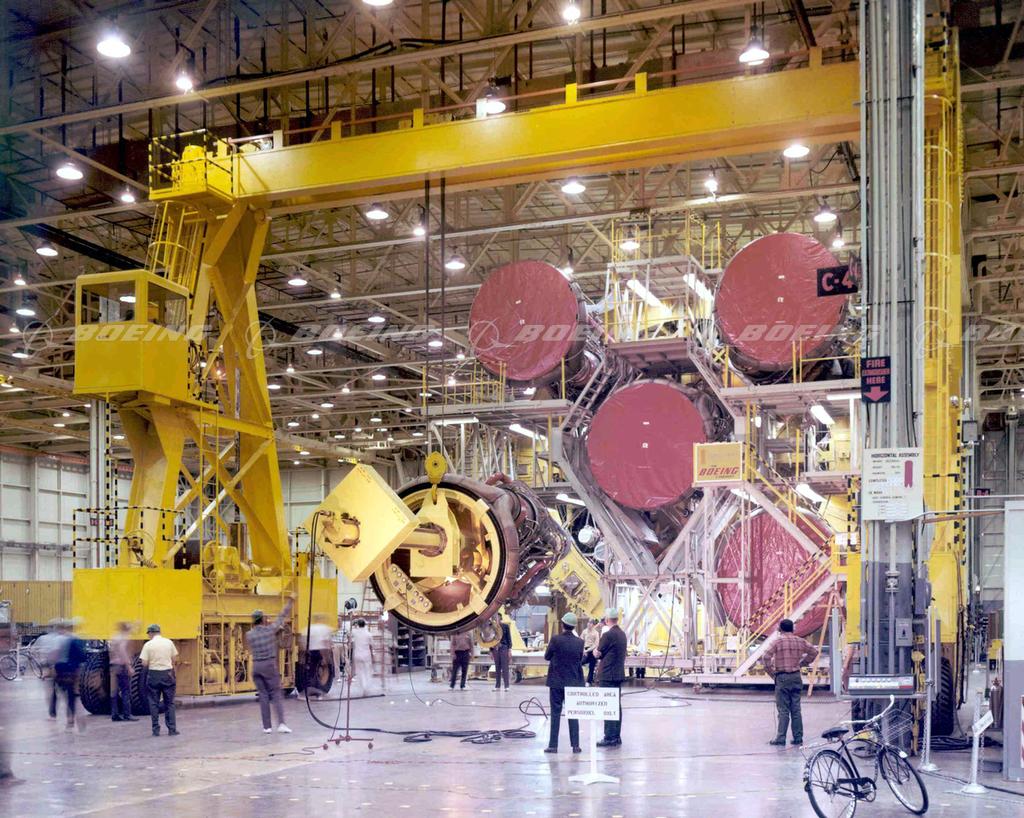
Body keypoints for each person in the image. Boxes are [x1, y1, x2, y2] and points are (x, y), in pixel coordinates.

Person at [762, 618, 819, 746]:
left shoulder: (777, 641)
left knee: (783, 710)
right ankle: (798, 737)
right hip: (796, 677)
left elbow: (765, 657)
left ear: (780, 628)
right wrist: (802, 663)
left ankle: (780, 738)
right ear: (792, 628)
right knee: (796, 709)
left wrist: (771, 673)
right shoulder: (800, 641)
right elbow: (814, 652)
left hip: (782, 677)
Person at [246, 594, 295, 733]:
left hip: (256, 667)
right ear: (263, 619)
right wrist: (291, 601)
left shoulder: (249, 635)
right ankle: (281, 724)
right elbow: (281, 616)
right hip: (268, 665)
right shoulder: (269, 630)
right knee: (276, 693)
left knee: (263, 695)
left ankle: (266, 727)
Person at [544, 612, 584, 754]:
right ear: (574, 627)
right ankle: (575, 745)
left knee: (555, 713)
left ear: (563, 625)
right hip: (573, 682)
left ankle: (553, 746)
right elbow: (580, 659)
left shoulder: (555, 640)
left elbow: (547, 656)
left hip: (556, 682)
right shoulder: (580, 642)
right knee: (573, 713)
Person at [594, 606, 626, 748]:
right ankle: (616, 736)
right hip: (618, 674)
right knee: (616, 706)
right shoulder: (622, 634)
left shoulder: (607, 635)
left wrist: (595, 651)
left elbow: (598, 653)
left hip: (607, 675)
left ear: (607, 620)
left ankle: (609, 737)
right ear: (617, 619)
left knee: (607, 706)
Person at [140, 623, 178, 736]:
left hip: (153, 675)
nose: (148, 636)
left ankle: (155, 730)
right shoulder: (169, 642)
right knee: (169, 703)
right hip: (167, 674)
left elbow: (144, 663)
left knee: (153, 703)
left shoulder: (148, 645)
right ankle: (172, 729)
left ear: (151, 633)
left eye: (148, 634)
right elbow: (174, 658)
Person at [54, 620, 87, 732]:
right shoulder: (76, 639)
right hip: (72, 670)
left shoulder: (59, 639)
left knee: (64, 695)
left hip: (60, 670)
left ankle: (70, 719)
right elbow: (82, 656)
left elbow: (55, 655)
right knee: (72, 696)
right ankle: (73, 720)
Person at [33, 620, 64, 720]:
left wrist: (40, 657)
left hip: (48, 666)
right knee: (60, 690)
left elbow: (33, 650)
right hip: (61, 667)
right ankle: (64, 712)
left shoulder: (42, 638)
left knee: (50, 691)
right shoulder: (62, 638)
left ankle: (52, 713)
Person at [109, 622, 137, 722]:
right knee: (125, 691)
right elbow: (123, 651)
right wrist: (129, 666)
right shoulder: (124, 638)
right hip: (121, 667)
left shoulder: (114, 637)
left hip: (113, 666)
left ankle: (114, 714)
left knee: (114, 692)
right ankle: (127, 714)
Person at [305, 613, 333, 696]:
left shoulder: (309, 628)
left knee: (311, 672)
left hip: (310, 652)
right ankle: (318, 691)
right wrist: (325, 657)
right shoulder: (324, 628)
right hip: (320, 652)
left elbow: (304, 641)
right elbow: (325, 641)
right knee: (318, 672)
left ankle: (311, 690)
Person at [349, 619, 377, 696]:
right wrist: (373, 656)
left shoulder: (355, 632)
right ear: (365, 625)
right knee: (367, 672)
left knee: (360, 673)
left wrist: (353, 624)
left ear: (358, 625)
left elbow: (349, 634)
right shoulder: (368, 634)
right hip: (366, 655)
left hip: (357, 655)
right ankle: (366, 688)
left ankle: (363, 687)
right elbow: (371, 646)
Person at [491, 617, 512, 691]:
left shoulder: (505, 626)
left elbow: (509, 638)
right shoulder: (492, 627)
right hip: (495, 648)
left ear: (500, 619)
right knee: (497, 667)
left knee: (505, 667)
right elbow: (490, 640)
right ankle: (497, 686)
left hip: (503, 647)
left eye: (497, 618)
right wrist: (491, 651)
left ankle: (506, 686)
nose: (496, 620)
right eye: (495, 619)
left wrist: (509, 650)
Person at [582, 618, 601, 686]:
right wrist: (583, 650)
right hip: (585, 650)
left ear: (593, 625)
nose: (589, 624)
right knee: (580, 663)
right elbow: (581, 640)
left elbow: (596, 644)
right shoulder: (584, 631)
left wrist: (588, 650)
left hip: (592, 650)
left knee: (591, 666)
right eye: (588, 622)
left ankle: (589, 681)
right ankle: (579, 678)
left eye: (590, 623)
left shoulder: (596, 633)